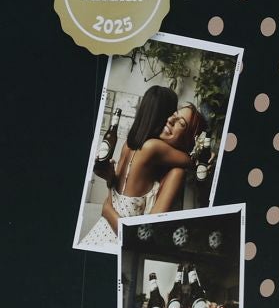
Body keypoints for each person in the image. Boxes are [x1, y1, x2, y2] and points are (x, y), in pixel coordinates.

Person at [82, 100, 208, 249]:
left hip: (116, 245)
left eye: (181, 123)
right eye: (174, 115)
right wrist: (110, 181)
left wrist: (108, 210)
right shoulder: (152, 163)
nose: (170, 120)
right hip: (100, 235)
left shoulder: (175, 172)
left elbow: (145, 235)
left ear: (188, 139)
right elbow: (116, 200)